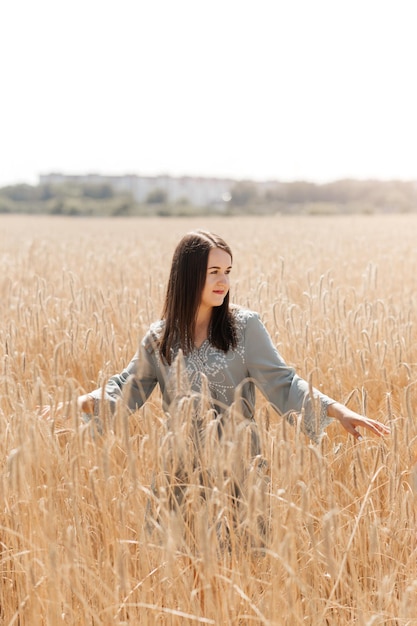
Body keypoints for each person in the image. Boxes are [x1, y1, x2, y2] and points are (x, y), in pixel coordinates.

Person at [76, 230, 390, 446]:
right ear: (187, 275)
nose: (223, 281)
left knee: (241, 545)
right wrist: (80, 403)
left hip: (241, 474)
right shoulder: (161, 337)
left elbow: (284, 382)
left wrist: (339, 410)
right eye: (213, 271)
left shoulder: (244, 326)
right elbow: (126, 386)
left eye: (227, 271)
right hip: (179, 474)